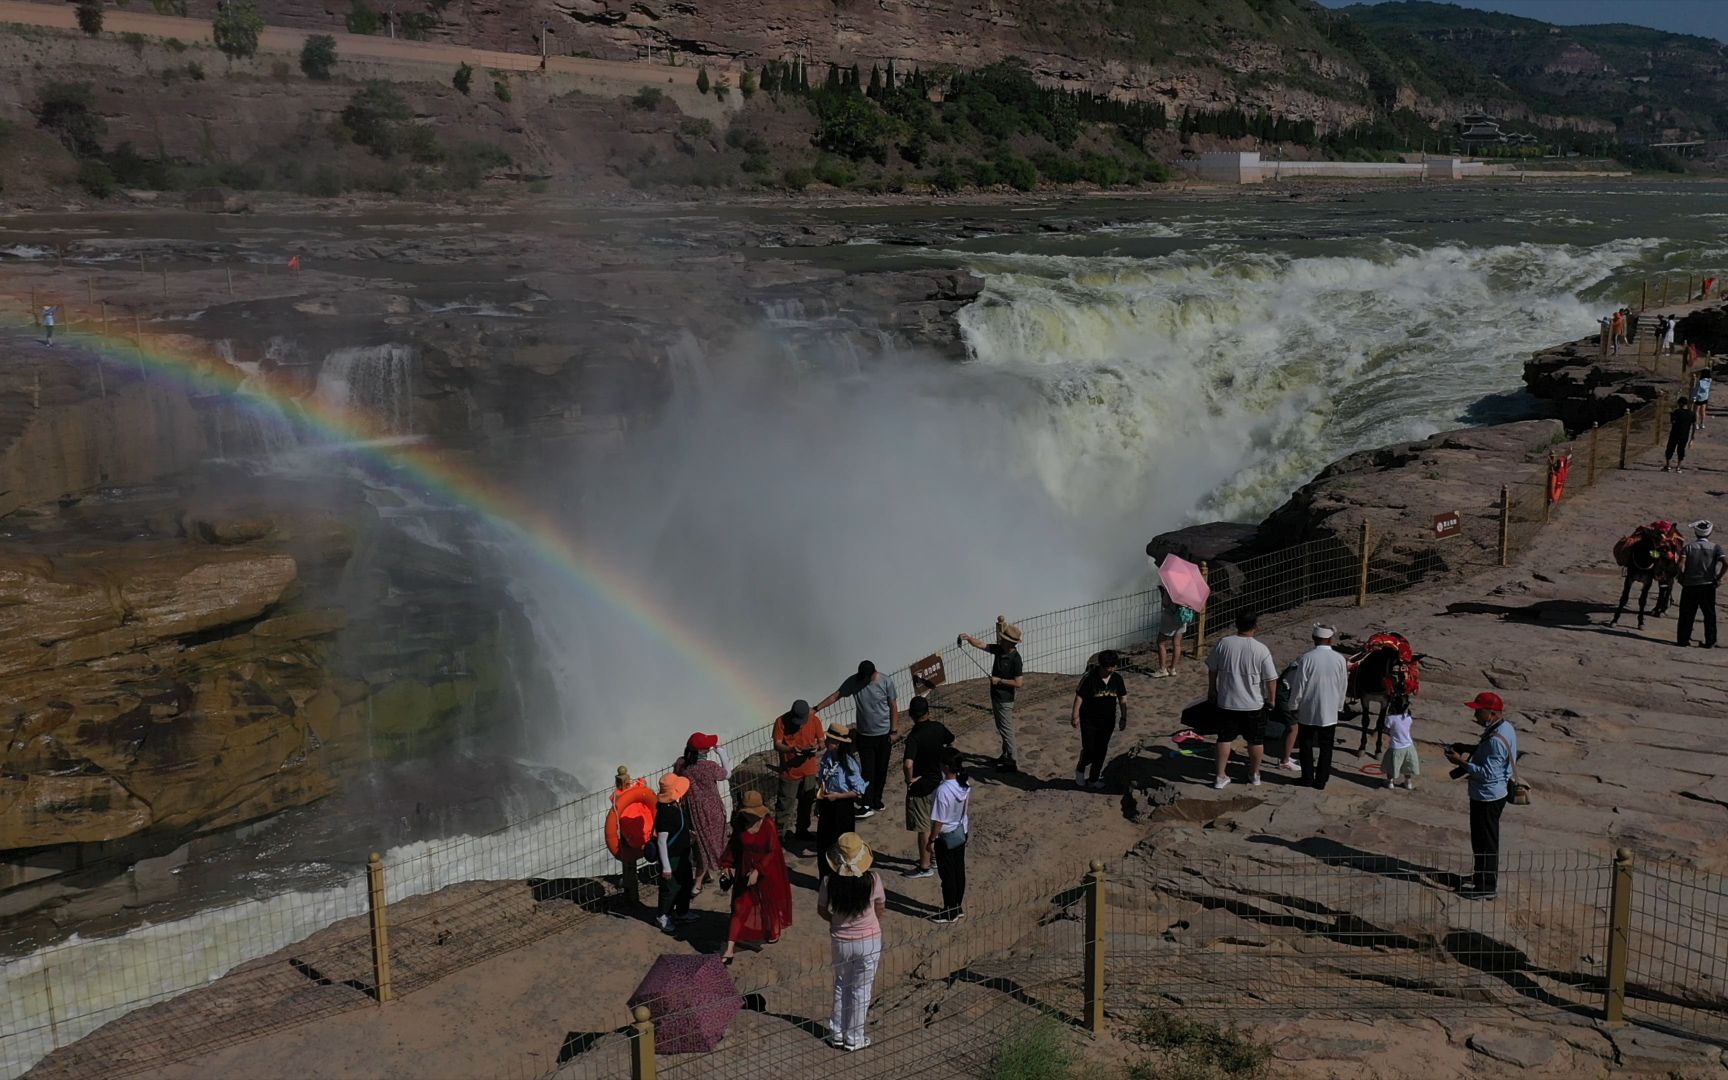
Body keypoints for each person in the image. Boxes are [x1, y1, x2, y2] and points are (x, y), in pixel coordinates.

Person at [1443, 692, 1517, 900]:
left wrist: (1460, 762)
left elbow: (1487, 772)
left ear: (1491, 713)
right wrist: (1466, 748)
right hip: (1494, 793)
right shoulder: (1504, 728)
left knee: (1485, 842)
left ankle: (1486, 887)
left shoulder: (1495, 739)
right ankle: (1480, 876)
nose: (1475, 714)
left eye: (1478, 710)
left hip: (1487, 797)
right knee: (1482, 840)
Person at [817, 833, 885, 1052]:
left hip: (841, 940)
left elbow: (822, 909)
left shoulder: (829, 881)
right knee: (861, 989)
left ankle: (836, 1033)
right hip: (869, 940)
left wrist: (836, 921)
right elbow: (880, 906)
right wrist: (869, 923)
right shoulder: (872, 879)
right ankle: (855, 1037)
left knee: (841, 985)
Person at [814, 661, 899, 817]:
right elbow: (836, 695)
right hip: (865, 735)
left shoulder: (886, 681)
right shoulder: (854, 681)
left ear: (874, 673)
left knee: (881, 769)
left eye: (866, 678)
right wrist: (816, 709)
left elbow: (893, 705)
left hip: (884, 734)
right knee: (868, 770)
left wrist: (894, 731)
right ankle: (866, 804)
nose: (863, 681)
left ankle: (876, 800)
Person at [716, 791, 792, 964]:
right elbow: (733, 846)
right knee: (739, 906)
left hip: (766, 870)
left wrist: (759, 870)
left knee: (767, 902)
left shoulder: (768, 825)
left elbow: (772, 851)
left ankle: (771, 929)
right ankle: (729, 950)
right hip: (745, 869)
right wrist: (727, 865)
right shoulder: (740, 824)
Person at [1204, 611, 1278, 790]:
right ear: (1256, 627)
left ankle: (1220, 776)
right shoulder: (1261, 649)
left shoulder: (1224, 643)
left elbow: (1212, 668)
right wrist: (1272, 699)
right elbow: (1270, 679)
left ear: (1236, 624)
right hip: (1253, 703)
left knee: (1224, 739)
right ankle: (1254, 774)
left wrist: (1212, 689)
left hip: (1227, 701)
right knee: (1255, 740)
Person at [958, 616, 1024, 772]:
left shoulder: (1016, 659)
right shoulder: (1000, 649)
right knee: (1001, 727)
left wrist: (999, 681)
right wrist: (969, 638)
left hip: (1005, 699)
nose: (1001, 640)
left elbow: (1019, 683)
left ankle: (1012, 761)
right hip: (996, 696)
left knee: (1006, 730)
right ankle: (1006, 755)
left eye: (1004, 638)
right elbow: (983, 645)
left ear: (1010, 642)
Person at [1287, 624, 1349, 790]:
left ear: (1314, 639)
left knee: (1306, 744)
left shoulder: (1307, 658)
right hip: (1329, 711)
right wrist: (1339, 705)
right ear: (1330, 639)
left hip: (1309, 709)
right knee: (1326, 746)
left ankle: (1307, 777)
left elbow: (1299, 685)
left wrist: (1293, 704)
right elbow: (1343, 684)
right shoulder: (1339, 659)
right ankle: (1321, 780)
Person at [899, 696, 953, 879]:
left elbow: (907, 764)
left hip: (921, 787)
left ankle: (924, 865)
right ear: (927, 712)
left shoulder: (914, 736)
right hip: (937, 782)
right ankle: (935, 858)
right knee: (935, 822)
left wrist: (909, 780)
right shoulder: (938, 728)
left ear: (912, 715)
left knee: (923, 827)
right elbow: (950, 740)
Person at [674, 732, 730, 895]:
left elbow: (677, 775)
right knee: (717, 843)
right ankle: (701, 881)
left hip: (692, 812)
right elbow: (727, 774)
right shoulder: (709, 767)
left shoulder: (681, 765)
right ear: (703, 751)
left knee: (700, 845)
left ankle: (703, 877)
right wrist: (722, 754)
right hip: (713, 810)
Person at [815, 724, 867, 883]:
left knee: (842, 844)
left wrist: (838, 796)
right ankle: (825, 878)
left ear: (838, 743)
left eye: (830, 740)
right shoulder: (827, 757)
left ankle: (841, 878)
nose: (827, 741)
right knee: (824, 844)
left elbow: (858, 791)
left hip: (842, 807)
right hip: (827, 803)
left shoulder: (849, 763)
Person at [1072, 649, 1128, 789]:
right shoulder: (1089, 678)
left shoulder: (1117, 679)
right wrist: (1075, 715)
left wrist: (1123, 717)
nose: (1112, 670)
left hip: (1108, 721)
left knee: (1101, 750)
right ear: (1102, 666)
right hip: (1089, 721)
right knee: (1089, 749)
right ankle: (1081, 767)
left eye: (1114, 666)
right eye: (1109, 667)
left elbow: (1122, 698)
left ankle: (1093, 779)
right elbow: (1080, 696)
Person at [927, 750, 971, 923]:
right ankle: (957, 907)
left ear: (945, 767)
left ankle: (949, 911)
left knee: (947, 876)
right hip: (961, 831)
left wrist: (931, 840)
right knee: (959, 870)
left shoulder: (942, 790)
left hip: (946, 837)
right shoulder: (963, 783)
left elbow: (938, 821)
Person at [773, 700, 824, 849]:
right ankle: (779, 835)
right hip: (789, 771)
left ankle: (802, 831)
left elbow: (822, 741)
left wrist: (817, 747)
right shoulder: (781, 721)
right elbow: (777, 744)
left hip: (809, 771)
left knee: (806, 802)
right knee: (784, 805)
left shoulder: (814, 720)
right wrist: (791, 750)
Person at [652, 773, 698, 933]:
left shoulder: (675, 806)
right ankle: (662, 916)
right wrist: (666, 867)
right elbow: (661, 841)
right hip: (672, 857)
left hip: (683, 854)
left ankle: (682, 912)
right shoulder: (665, 813)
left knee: (685, 883)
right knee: (670, 888)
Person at [1677, 520, 1726, 649]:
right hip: (1708, 585)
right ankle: (1710, 641)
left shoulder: (1688, 547)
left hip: (1690, 585)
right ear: (1709, 533)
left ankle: (1683, 640)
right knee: (1709, 614)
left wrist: (1681, 577)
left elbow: (1680, 564)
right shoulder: (1715, 547)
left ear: (1696, 532)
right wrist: (1718, 578)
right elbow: (1726, 563)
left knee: (1686, 613)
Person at [1380, 694, 1419, 790]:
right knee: (1408, 766)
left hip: (1396, 747)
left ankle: (1390, 782)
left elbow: (1386, 729)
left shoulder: (1390, 718)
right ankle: (1408, 783)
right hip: (1409, 746)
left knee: (1391, 765)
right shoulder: (1408, 717)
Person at [1154, 586, 1187, 678]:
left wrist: (1163, 592)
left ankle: (1162, 669)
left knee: (1160, 642)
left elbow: (1165, 604)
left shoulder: (1171, 587)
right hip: (1182, 617)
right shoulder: (1188, 588)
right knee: (1177, 644)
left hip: (1170, 617)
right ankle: (1172, 669)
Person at [1663, 395, 1696, 472]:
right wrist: (1692, 436)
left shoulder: (1676, 412)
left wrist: (1671, 415)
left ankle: (1668, 465)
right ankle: (1678, 467)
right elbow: (1694, 425)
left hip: (1675, 434)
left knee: (1670, 449)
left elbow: (1673, 422)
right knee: (1681, 450)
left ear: (1680, 404)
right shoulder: (1691, 414)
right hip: (1684, 435)